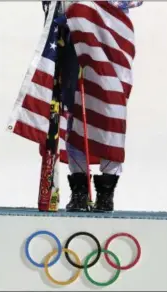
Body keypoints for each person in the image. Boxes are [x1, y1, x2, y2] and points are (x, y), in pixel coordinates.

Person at [42, 1, 143, 212]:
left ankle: (106, 193)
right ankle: (80, 192)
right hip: (75, 40)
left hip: (111, 41)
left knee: (110, 116)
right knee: (75, 115)